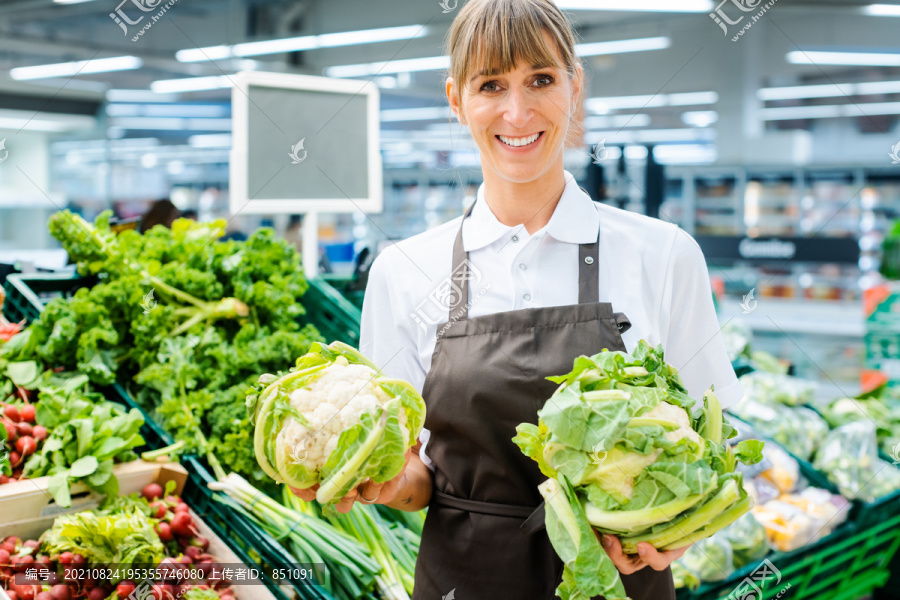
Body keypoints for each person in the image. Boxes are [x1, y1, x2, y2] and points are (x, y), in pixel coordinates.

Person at [293, 1, 743, 598]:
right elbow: (418, 477)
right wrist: (376, 480)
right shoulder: (404, 271)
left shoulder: (663, 255)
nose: (517, 110)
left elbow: (717, 440)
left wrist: (683, 526)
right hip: (465, 581)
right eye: (490, 85)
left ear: (575, 87)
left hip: (622, 577)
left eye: (541, 80)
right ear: (457, 100)